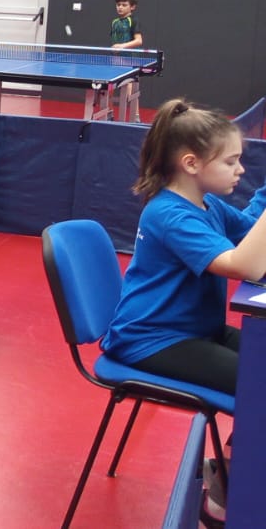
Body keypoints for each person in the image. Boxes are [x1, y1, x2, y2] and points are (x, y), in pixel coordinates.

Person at [100, 99, 266, 525]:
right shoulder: (169, 214)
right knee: (259, 384)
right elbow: (244, 265)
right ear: (191, 163)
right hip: (152, 340)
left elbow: (251, 233)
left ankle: (229, 467)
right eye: (230, 161)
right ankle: (225, 495)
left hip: (196, 330)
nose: (240, 170)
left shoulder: (208, 205)